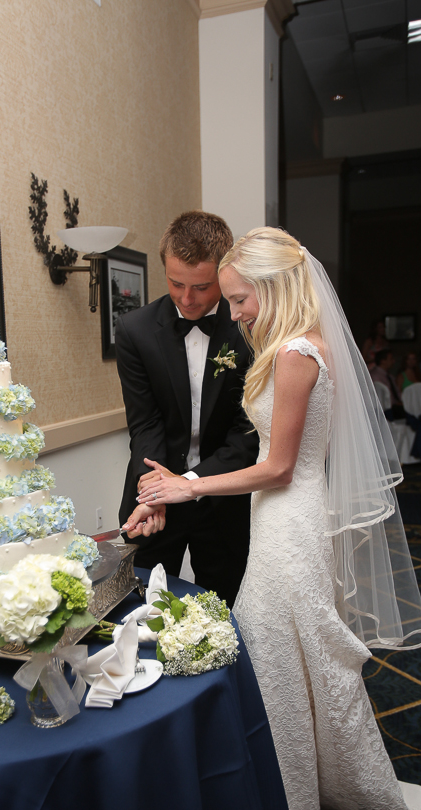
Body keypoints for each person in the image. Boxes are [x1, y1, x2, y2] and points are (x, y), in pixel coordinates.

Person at [137, 227, 421, 810]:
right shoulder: (292, 344)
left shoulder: (298, 352)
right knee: (289, 656)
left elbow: (277, 467)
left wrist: (189, 487)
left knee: (281, 654)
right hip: (279, 519)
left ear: (275, 288)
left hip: (291, 523)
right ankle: (303, 789)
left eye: (241, 298)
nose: (234, 311)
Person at [117, 211, 258, 607]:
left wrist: (190, 483)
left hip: (224, 497)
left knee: (226, 610)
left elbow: (246, 432)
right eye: (176, 283)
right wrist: (156, 490)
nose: (186, 298)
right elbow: (145, 424)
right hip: (155, 498)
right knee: (144, 608)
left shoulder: (249, 329)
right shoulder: (135, 330)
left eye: (201, 287)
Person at [369, 348, 404, 419]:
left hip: (394, 406)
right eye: (391, 359)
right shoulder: (375, 376)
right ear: (383, 361)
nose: (393, 361)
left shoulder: (389, 376)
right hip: (385, 409)